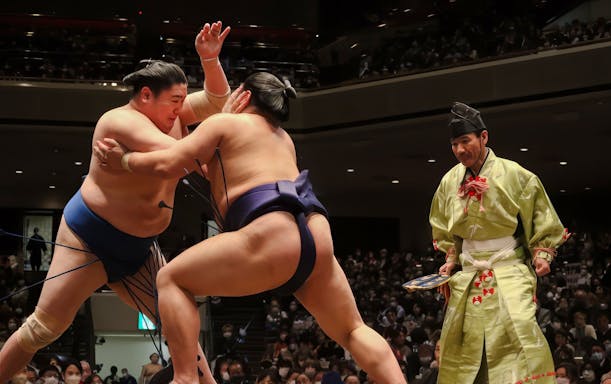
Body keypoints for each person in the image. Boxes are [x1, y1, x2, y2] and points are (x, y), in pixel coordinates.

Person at [94, 71, 407, 384]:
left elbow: (169, 163)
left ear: (242, 95)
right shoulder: (283, 137)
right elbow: (210, 166)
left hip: (273, 230)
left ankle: (186, 378)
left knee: (170, 278)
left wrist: (125, 160)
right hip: (314, 231)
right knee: (352, 329)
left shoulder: (224, 124)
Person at [0, 21, 232, 384]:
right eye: (174, 101)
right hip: (89, 237)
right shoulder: (118, 122)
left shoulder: (173, 115)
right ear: (145, 95)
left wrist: (210, 61)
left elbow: (218, 102)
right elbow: (181, 157)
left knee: (179, 323)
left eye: (181, 101)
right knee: (42, 329)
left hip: (140, 247)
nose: (179, 109)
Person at [429, 102, 568, 383]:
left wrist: (542, 254)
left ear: (484, 137)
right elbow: (443, 226)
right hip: (468, 274)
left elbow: (540, 216)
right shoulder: (448, 181)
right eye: (454, 144)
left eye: (465, 141)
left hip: (509, 267)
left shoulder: (516, 174)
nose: (459, 150)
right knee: (460, 340)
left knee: (520, 329)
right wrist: (451, 258)